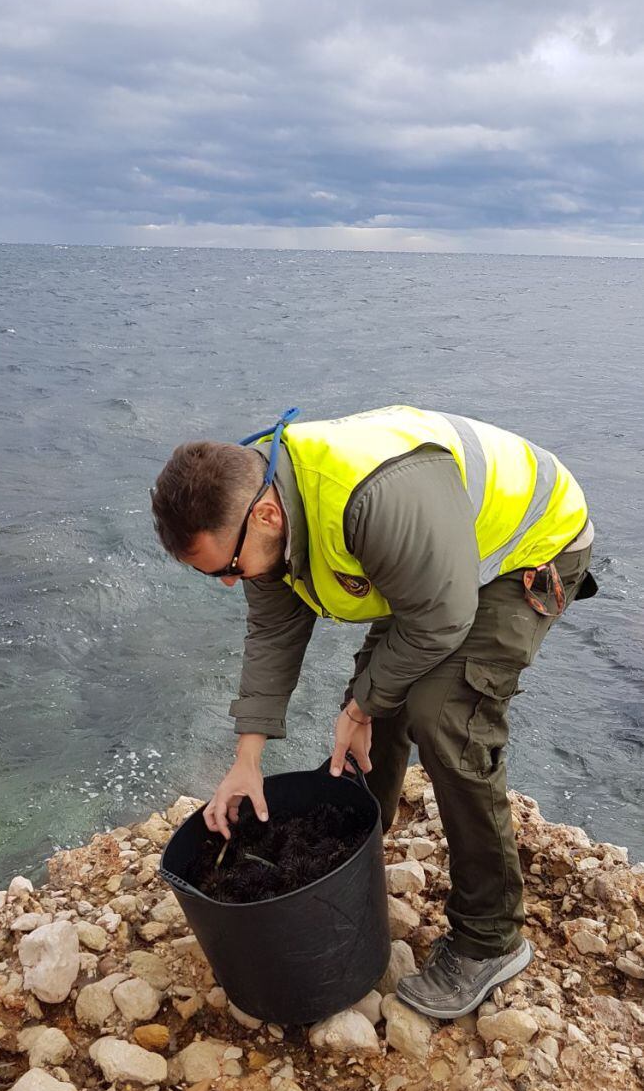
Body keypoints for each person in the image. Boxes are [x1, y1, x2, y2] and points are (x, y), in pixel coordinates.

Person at [150, 404, 596, 1019]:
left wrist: (363, 706)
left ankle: (491, 939)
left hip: (526, 547)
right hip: (430, 562)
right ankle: (361, 837)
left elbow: (441, 617)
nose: (229, 583)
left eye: (227, 568)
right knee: (378, 694)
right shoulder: (257, 500)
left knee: (444, 717)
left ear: (268, 515)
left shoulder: (369, 502)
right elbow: (275, 636)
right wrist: (246, 760)